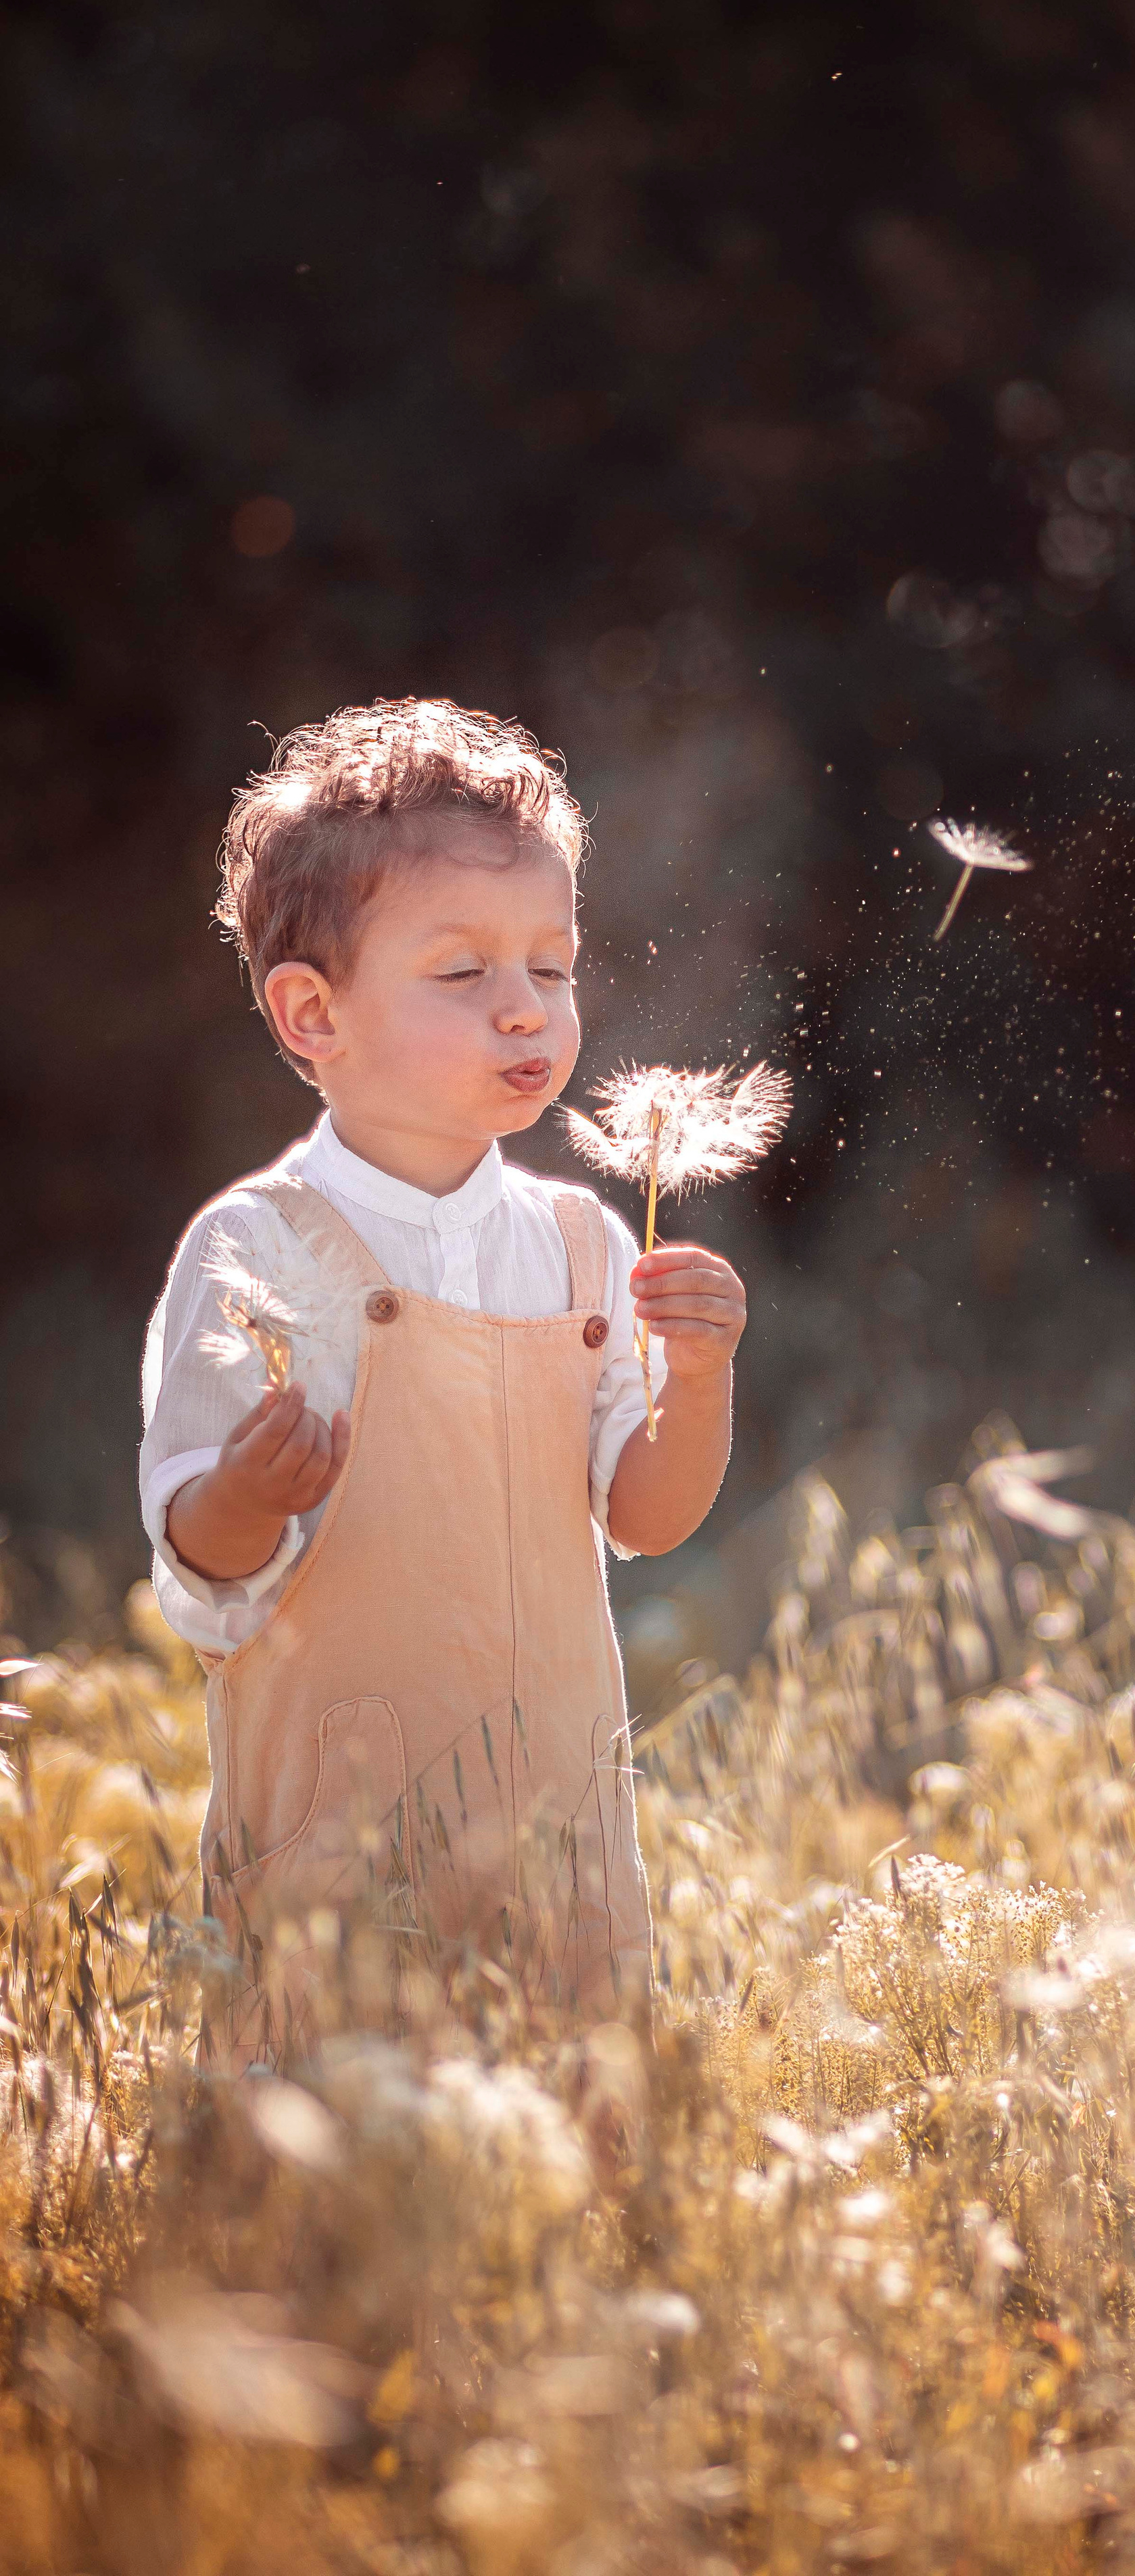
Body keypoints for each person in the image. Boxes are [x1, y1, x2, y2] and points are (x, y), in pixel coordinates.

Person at [141, 697, 746, 2062]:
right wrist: (244, 1489)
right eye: (462, 975)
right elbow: (197, 1556)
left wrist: (696, 1380)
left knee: (554, 2145)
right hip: (341, 1813)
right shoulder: (258, 1247)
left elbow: (642, 1518)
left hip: (552, 1816)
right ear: (315, 1014)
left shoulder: (581, 1243)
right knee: (342, 2149)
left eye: (553, 962)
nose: (526, 1007)